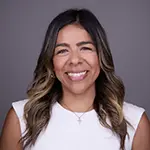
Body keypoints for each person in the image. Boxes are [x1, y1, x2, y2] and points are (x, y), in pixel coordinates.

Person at [0, 8, 149, 150]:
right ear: (51, 61)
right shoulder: (21, 118)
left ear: (101, 56)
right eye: (62, 51)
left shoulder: (135, 122)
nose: (74, 60)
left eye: (85, 48)